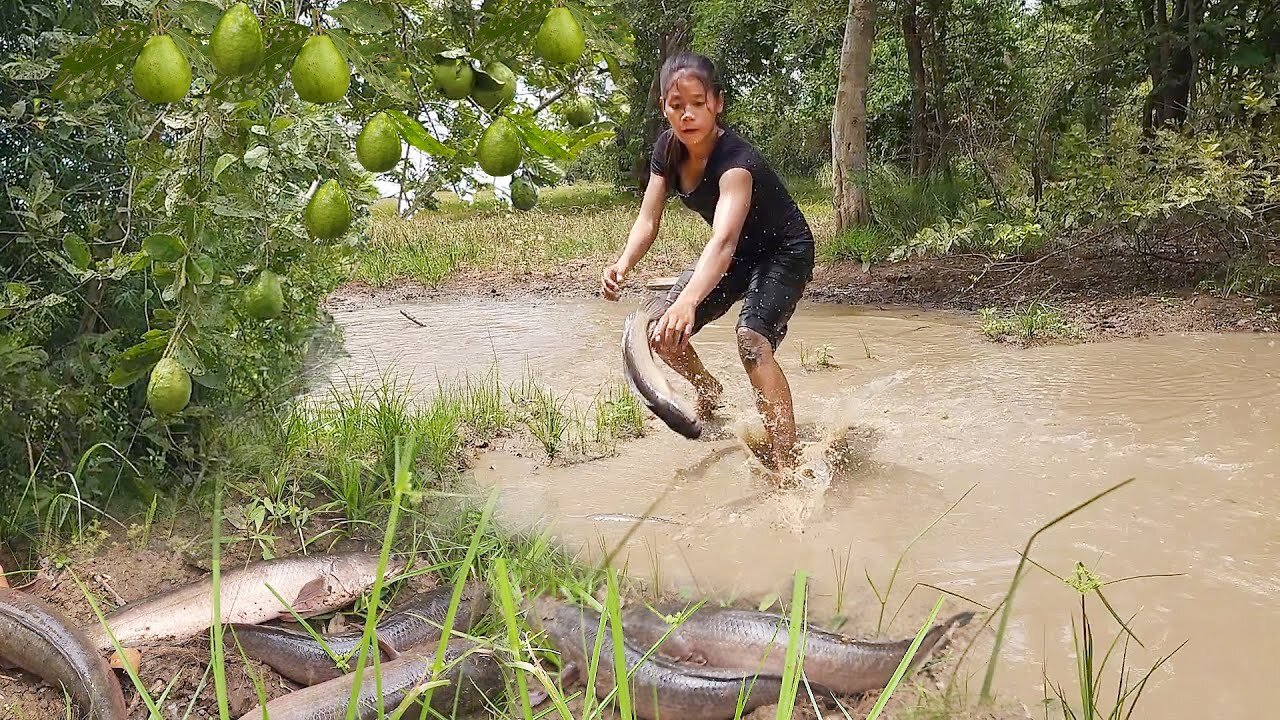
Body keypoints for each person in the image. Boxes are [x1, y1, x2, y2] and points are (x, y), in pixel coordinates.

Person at [600, 50, 816, 475]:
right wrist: (623, 263)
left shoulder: (736, 162)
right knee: (662, 334)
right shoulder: (667, 149)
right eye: (676, 105)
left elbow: (722, 240)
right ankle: (708, 389)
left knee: (752, 342)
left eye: (697, 103)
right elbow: (648, 218)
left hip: (783, 250)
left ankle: (785, 465)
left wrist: (688, 300)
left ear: (716, 102)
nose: (687, 115)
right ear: (664, 107)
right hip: (736, 253)